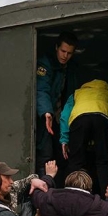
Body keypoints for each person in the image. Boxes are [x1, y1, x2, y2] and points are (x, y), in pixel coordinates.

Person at [36, 31, 79, 179]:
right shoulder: (45, 63)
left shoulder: (71, 68)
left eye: (69, 53)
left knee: (63, 155)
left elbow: (73, 94)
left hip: (62, 118)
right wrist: (46, 111)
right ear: (56, 47)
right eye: (63, 51)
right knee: (45, 153)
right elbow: (42, 89)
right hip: (46, 117)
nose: (65, 56)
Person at [59, 79, 108, 194]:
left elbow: (64, 115)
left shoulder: (77, 93)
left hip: (79, 119)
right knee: (103, 161)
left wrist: (64, 139)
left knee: (75, 161)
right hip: (102, 118)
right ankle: (107, 197)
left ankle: (69, 194)